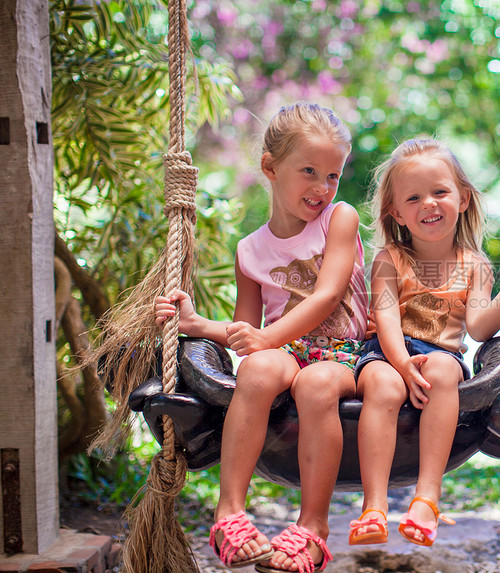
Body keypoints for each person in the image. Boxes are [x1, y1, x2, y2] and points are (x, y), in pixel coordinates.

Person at [155, 102, 367, 572]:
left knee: (314, 384)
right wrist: (194, 324)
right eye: (309, 171)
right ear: (271, 167)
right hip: (284, 350)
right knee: (256, 368)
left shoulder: (340, 219)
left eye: (332, 175)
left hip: (346, 354)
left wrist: (266, 339)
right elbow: (246, 333)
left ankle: (313, 528)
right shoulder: (249, 250)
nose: (322, 187)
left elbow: (328, 296)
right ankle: (229, 511)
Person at [347, 138, 500, 547]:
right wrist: (402, 364)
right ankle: (374, 506)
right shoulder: (389, 259)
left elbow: (478, 328)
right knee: (383, 386)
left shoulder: (475, 265)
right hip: (387, 352)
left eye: (440, 192)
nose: (429, 204)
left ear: (464, 199)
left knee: (440, 369)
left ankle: (426, 499)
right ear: (396, 212)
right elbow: (385, 317)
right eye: (414, 197)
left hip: (441, 354)